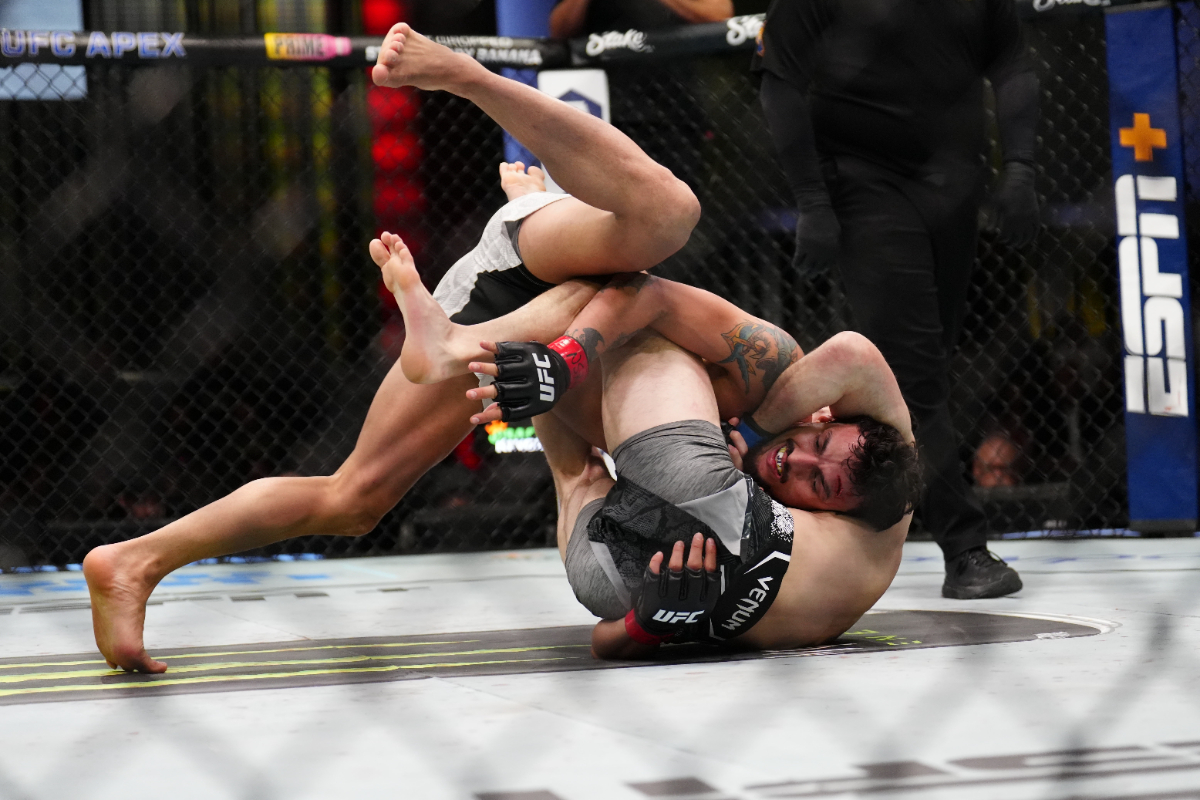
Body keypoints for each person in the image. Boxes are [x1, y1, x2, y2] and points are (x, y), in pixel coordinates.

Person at [82, 23, 701, 674]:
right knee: (665, 218)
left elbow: (581, 443)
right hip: (554, 273)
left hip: (555, 303)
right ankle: (469, 81)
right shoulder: (750, 394)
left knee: (354, 500)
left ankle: (134, 560)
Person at [380, 228, 922, 656]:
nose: (795, 459)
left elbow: (851, 353)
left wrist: (754, 428)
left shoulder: (876, 491)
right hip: (616, 579)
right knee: (576, 474)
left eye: (817, 483)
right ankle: (536, 333)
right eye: (818, 445)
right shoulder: (870, 526)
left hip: (710, 500)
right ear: (828, 418)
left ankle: (462, 346)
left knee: (630, 303)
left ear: (833, 512)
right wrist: (644, 625)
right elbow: (604, 643)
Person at [754, 0, 1039, 599]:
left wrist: (1021, 167)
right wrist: (813, 200)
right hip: (865, 187)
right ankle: (965, 548)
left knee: (931, 366)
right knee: (915, 374)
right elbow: (780, 82)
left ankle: (852, 503)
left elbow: (1012, 60)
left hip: (955, 182)